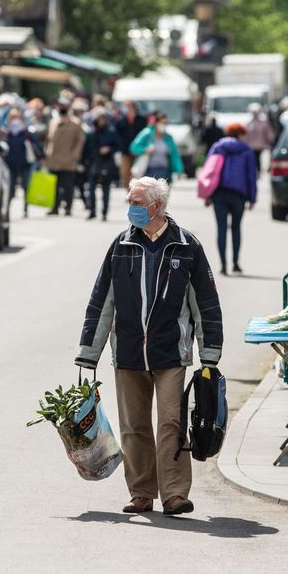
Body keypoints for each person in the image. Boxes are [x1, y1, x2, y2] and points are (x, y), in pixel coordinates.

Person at [75, 177, 223, 517]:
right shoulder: (121, 245)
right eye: (130, 201)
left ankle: (174, 494)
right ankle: (141, 492)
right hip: (127, 352)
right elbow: (102, 302)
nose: (132, 208)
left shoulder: (186, 247)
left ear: (157, 206)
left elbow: (206, 304)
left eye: (137, 202)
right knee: (134, 427)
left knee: (170, 422)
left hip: (171, 351)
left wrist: (209, 353)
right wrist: (89, 351)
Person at [205, 122, 257, 275]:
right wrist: (252, 198)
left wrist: (207, 194)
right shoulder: (246, 150)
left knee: (221, 228)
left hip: (219, 193)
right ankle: (235, 263)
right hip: (239, 194)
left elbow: (209, 170)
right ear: (240, 134)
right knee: (236, 228)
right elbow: (251, 176)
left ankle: (222, 264)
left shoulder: (217, 147)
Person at [46, 107, 86, 216]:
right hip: (54, 160)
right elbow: (49, 139)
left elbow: (80, 140)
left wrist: (75, 155)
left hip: (68, 160)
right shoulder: (53, 122)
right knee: (54, 186)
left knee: (68, 186)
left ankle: (68, 207)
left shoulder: (75, 124)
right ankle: (54, 207)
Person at [4, 109, 44, 215]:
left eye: (17, 118)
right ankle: (7, 209)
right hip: (10, 165)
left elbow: (38, 146)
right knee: (10, 189)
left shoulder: (26, 133)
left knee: (26, 186)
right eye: (13, 118)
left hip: (25, 164)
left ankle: (26, 208)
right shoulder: (6, 133)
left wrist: (41, 158)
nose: (15, 121)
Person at [84, 111, 122, 221]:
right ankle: (92, 211)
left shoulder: (111, 132)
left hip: (107, 163)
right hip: (93, 163)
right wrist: (82, 162)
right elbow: (86, 149)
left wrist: (108, 149)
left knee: (106, 190)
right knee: (91, 189)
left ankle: (104, 212)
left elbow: (118, 145)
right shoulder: (91, 132)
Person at [129, 112, 183, 182]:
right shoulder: (147, 134)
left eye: (165, 123)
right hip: (148, 171)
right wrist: (145, 149)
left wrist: (179, 170)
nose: (164, 125)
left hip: (165, 171)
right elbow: (133, 148)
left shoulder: (168, 137)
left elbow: (175, 155)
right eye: (162, 123)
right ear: (156, 123)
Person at [115, 101, 147, 189]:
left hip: (138, 152)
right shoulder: (121, 121)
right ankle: (129, 191)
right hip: (125, 151)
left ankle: (137, 192)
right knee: (124, 173)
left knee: (137, 173)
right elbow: (117, 136)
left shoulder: (142, 120)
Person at [243, 103, 274, 173]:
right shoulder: (248, 122)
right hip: (250, 145)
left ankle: (258, 171)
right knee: (253, 158)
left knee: (258, 158)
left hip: (260, 144)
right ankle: (254, 171)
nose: (255, 114)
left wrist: (270, 140)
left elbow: (268, 132)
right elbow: (245, 134)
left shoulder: (263, 122)